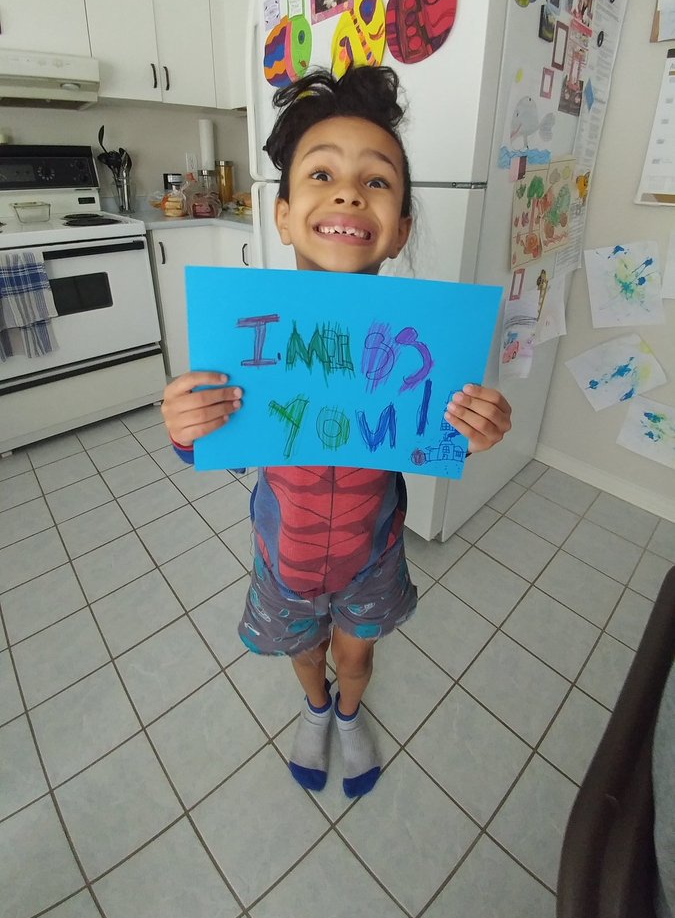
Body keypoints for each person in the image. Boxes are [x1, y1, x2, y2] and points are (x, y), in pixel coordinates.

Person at [161, 66, 512, 799]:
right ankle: (315, 707)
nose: (350, 192)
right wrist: (190, 429)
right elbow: (223, 439)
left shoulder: (424, 353)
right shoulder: (249, 338)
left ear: (401, 231)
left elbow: (438, 429)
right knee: (304, 650)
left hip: (372, 553)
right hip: (282, 551)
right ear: (284, 215)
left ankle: (349, 710)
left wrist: (477, 426)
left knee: (356, 653)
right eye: (321, 174)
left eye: (377, 181)